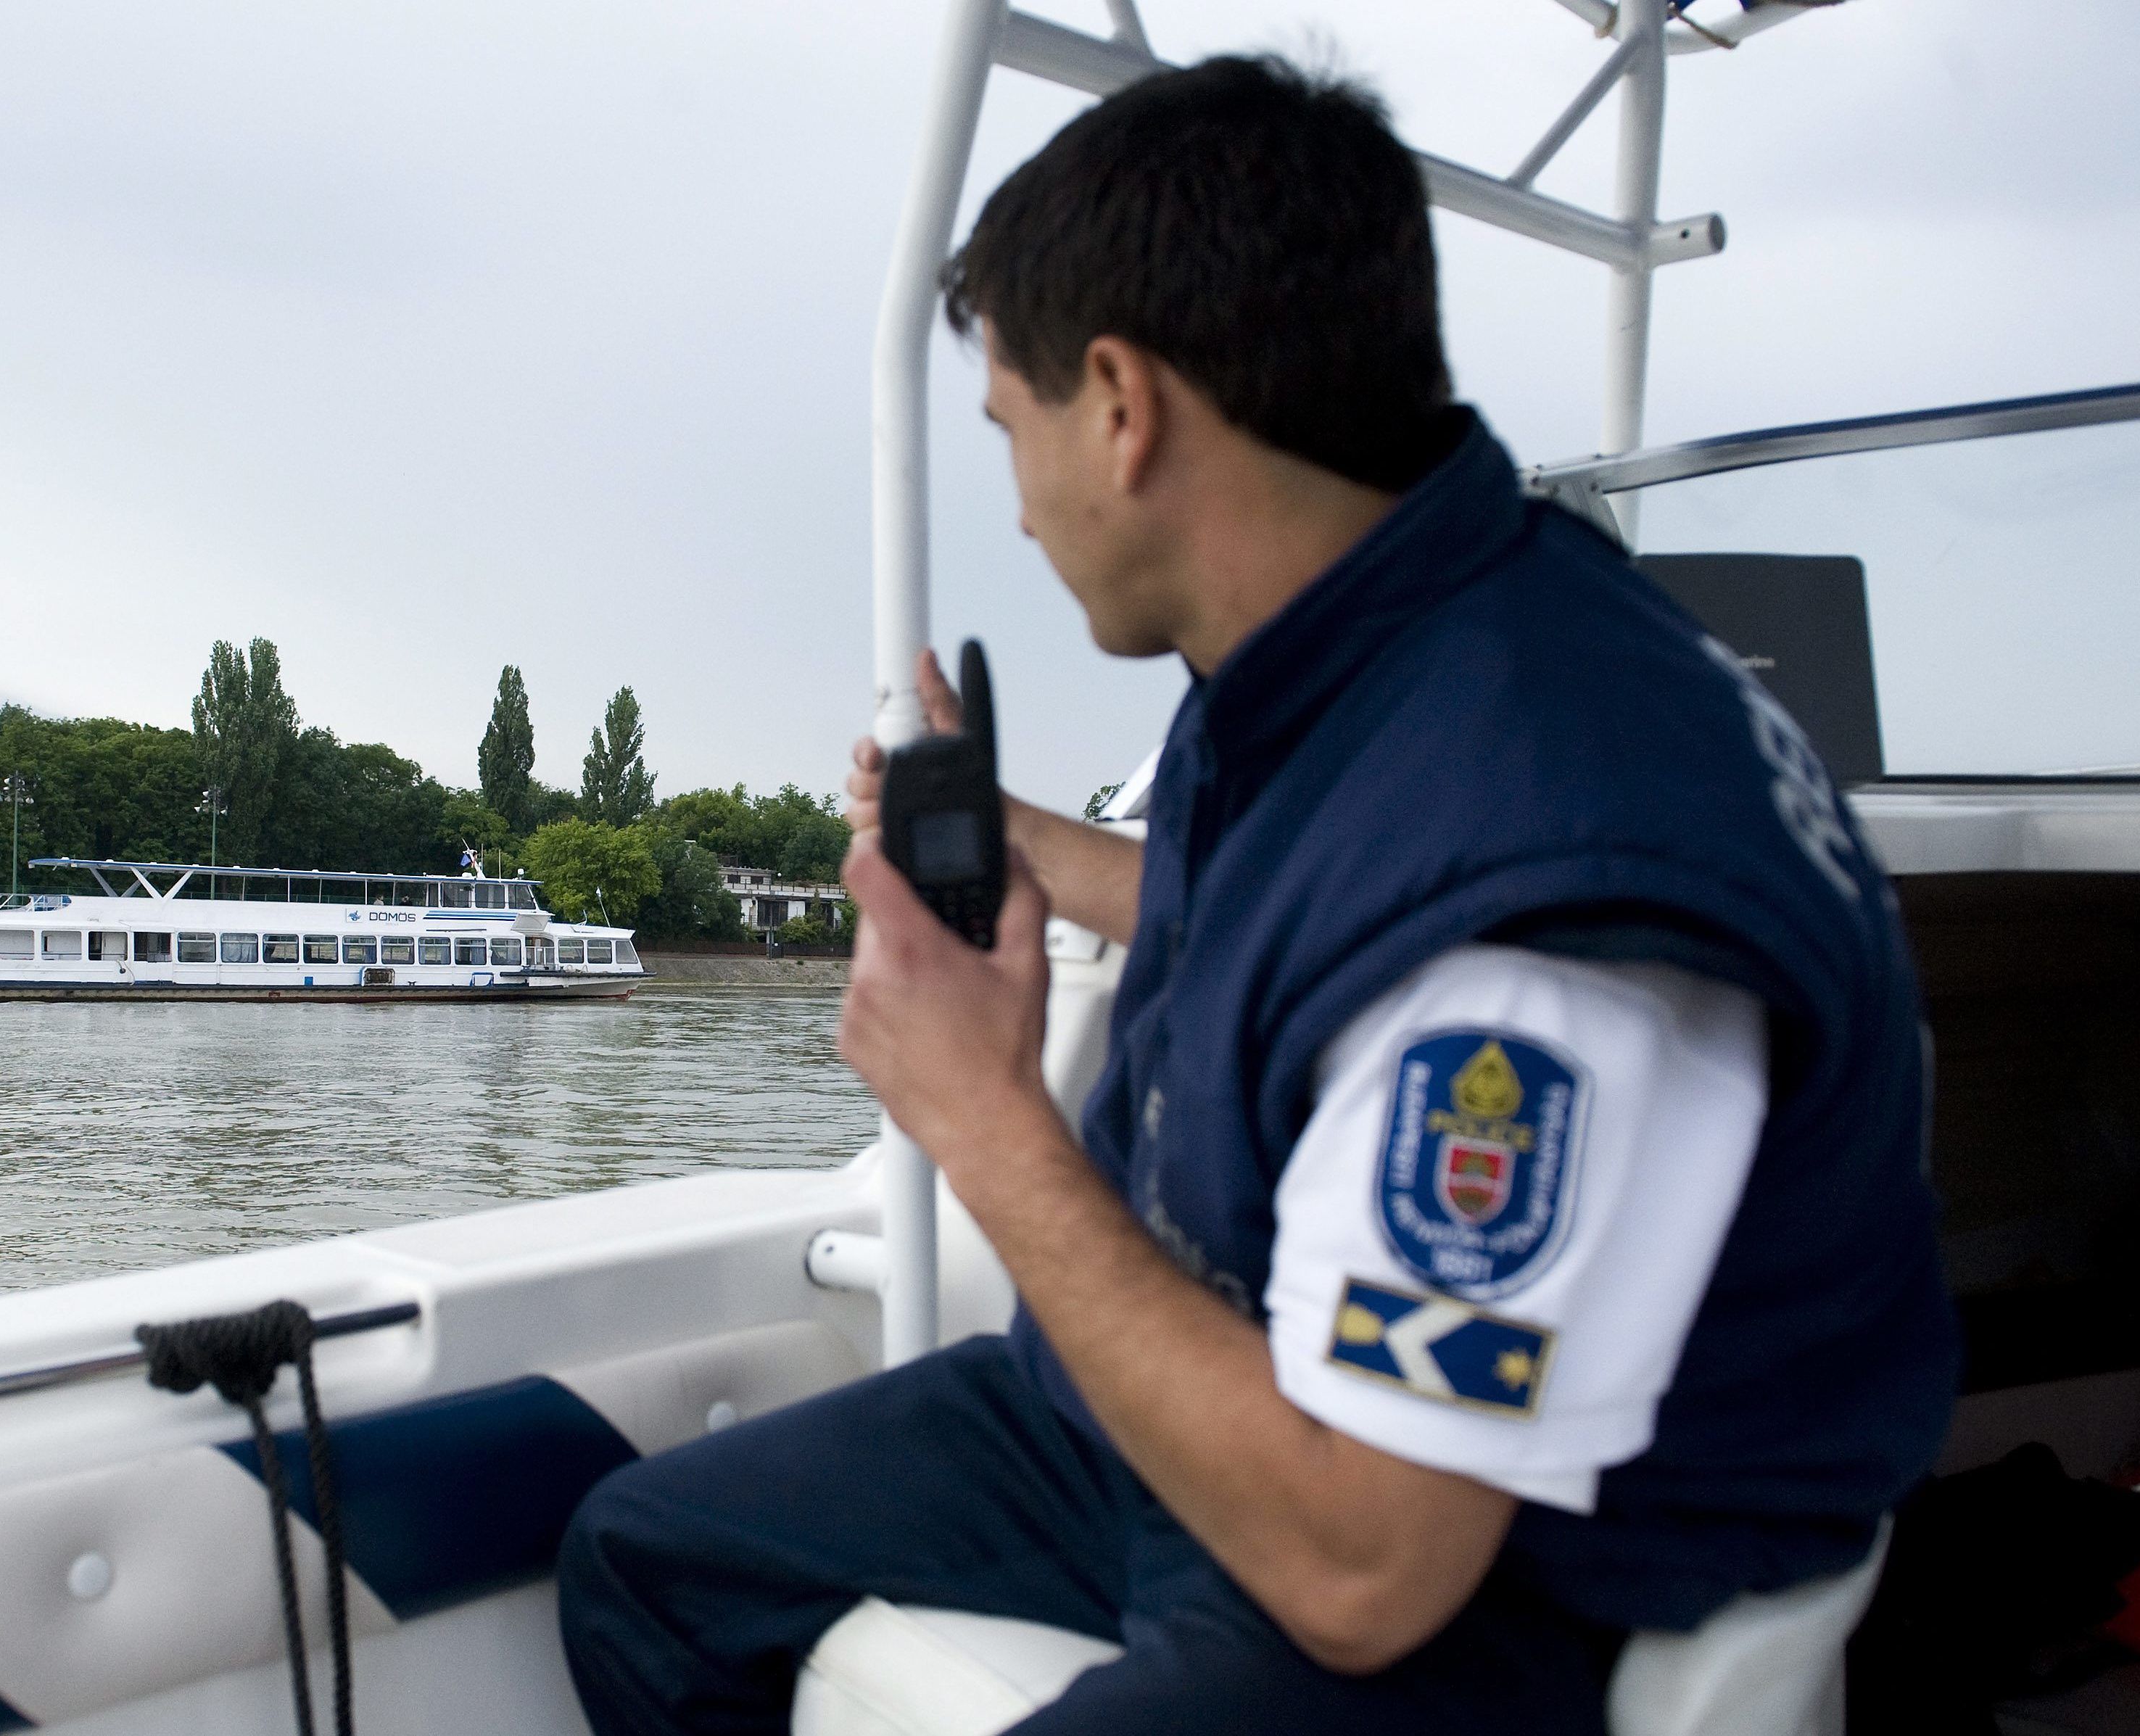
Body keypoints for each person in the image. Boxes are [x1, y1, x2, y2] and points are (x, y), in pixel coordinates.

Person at [555, 54, 1955, 1735]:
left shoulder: (1549, 920)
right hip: (1180, 1419)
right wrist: (1034, 853)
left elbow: (1366, 1570)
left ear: (1123, 406)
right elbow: (1322, 914)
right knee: (649, 1559)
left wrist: (980, 1114)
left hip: (1482, 1572)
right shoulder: (1385, 633)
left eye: (1013, 430)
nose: (1013, 501)